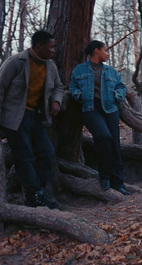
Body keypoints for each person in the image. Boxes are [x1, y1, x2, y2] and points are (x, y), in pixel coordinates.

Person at [0, 31, 64, 209]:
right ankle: (34, 196)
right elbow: (1, 89)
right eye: (50, 47)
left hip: (36, 117)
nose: (53, 50)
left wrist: (56, 101)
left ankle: (38, 193)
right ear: (39, 46)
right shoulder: (16, 62)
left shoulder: (50, 66)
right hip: (14, 118)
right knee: (25, 157)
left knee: (47, 153)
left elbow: (58, 86)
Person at [69, 40, 131, 195]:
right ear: (96, 51)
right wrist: (79, 96)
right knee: (103, 137)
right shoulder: (79, 70)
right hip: (90, 109)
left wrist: (117, 95)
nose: (107, 53)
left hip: (110, 109)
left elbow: (121, 87)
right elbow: (73, 87)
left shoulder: (111, 71)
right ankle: (104, 177)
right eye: (106, 50)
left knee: (115, 144)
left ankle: (118, 182)